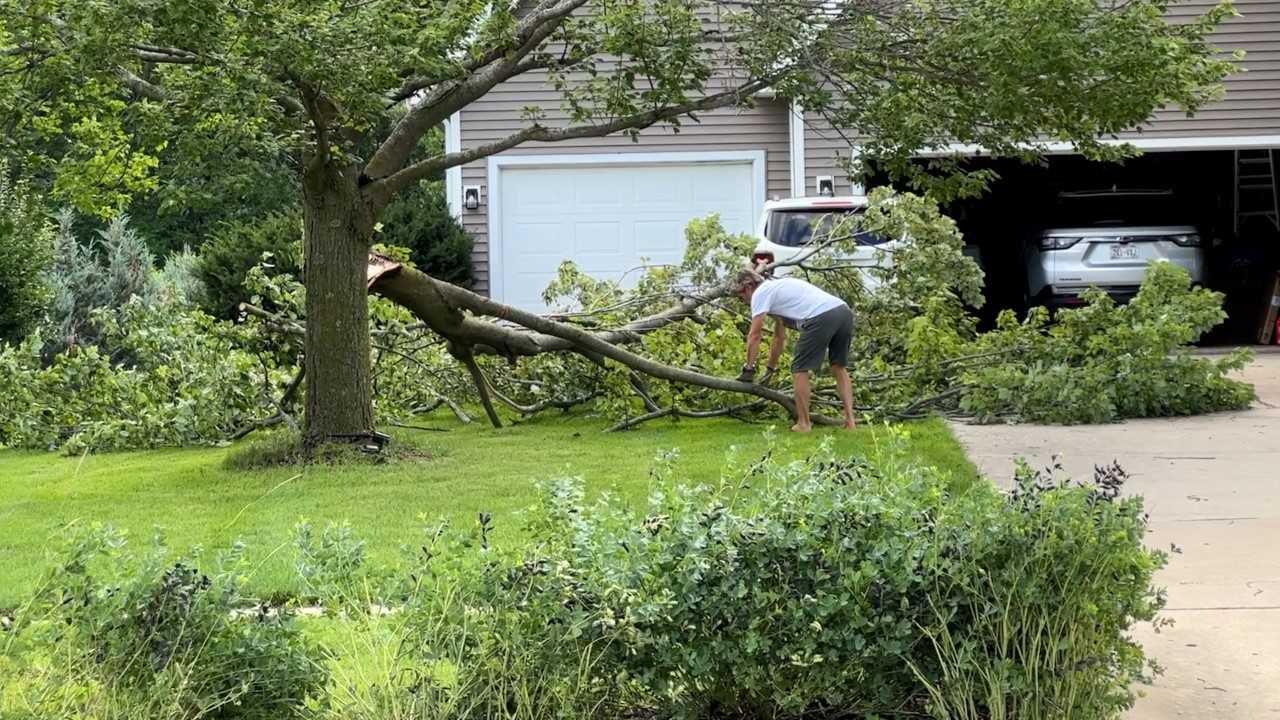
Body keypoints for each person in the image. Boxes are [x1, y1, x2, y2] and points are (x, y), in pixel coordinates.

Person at [733, 269, 856, 432]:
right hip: (842, 311)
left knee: (799, 369)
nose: (744, 302)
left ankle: (804, 423)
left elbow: (754, 335)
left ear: (748, 287)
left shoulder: (760, 293)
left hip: (820, 316)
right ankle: (850, 422)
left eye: (741, 297)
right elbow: (779, 338)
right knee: (838, 367)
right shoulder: (776, 291)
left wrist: (748, 368)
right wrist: (770, 370)